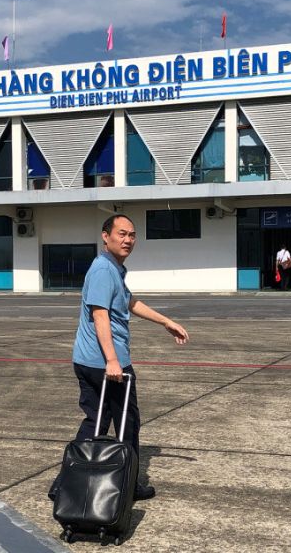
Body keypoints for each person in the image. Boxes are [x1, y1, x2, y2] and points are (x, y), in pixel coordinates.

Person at [71, 214, 189, 500]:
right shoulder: (103, 270)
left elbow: (130, 302)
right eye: (121, 234)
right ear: (105, 236)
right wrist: (112, 361)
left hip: (89, 360)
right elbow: (100, 315)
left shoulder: (113, 268)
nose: (127, 240)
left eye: (132, 235)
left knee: (96, 422)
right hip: (106, 363)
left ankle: (69, 481)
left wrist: (165, 321)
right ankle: (128, 484)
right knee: (127, 423)